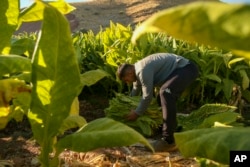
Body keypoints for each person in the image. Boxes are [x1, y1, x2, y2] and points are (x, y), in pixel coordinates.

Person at [117, 53, 199, 151]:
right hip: (180, 70)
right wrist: (125, 105)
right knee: (162, 97)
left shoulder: (142, 70)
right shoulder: (138, 70)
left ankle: (168, 140)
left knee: (165, 93)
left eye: (126, 80)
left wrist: (137, 113)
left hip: (186, 69)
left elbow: (147, 96)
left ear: (130, 73)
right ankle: (170, 128)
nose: (128, 82)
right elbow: (134, 92)